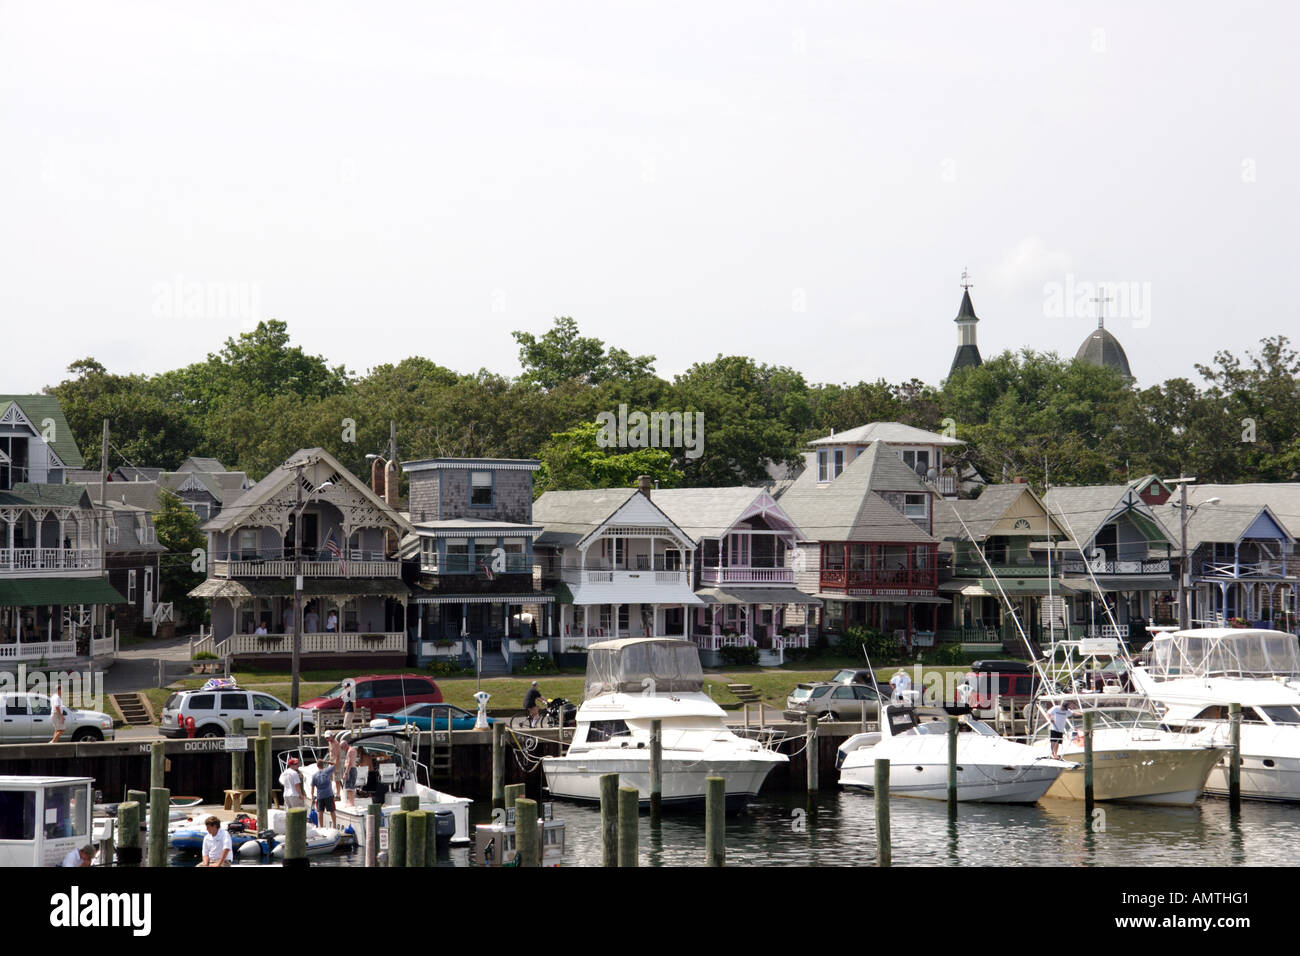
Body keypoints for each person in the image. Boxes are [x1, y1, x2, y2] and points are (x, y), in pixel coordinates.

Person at [311, 758, 339, 829]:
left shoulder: (314, 776)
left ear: (317, 766)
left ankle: (321, 827)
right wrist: (328, 762)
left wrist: (312, 798)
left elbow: (312, 788)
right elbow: (336, 764)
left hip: (320, 796)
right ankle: (334, 826)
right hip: (328, 795)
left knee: (320, 812)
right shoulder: (327, 771)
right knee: (332, 811)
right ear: (323, 765)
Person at [343, 737, 358, 807]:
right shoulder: (353, 749)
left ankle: (351, 803)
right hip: (352, 769)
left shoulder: (350, 751)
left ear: (345, 746)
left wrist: (346, 773)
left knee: (349, 787)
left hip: (350, 770)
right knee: (351, 786)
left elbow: (349, 763)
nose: (343, 750)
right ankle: (351, 801)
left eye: (342, 748)